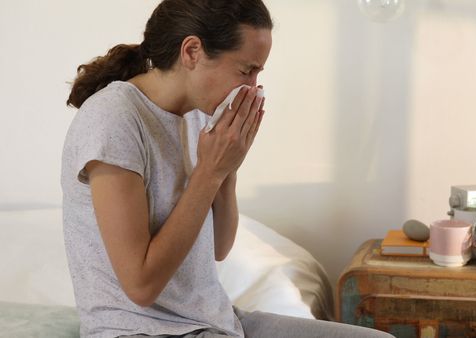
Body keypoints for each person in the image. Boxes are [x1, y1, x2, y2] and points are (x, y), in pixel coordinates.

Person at [62, 1, 393, 337]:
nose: (251, 87)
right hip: (139, 330)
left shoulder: (200, 114)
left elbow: (220, 247)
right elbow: (141, 286)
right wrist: (210, 172)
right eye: (245, 70)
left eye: (258, 73)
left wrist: (227, 170)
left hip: (216, 321)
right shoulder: (113, 118)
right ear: (191, 51)